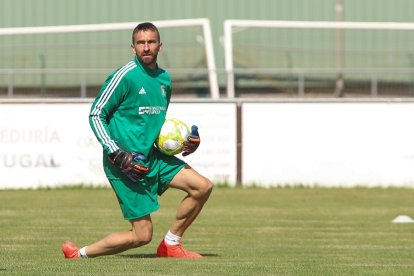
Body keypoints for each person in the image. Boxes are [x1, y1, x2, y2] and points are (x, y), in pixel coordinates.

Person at [62, 22, 213, 259]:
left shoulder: (165, 80)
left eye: (151, 42)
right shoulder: (124, 76)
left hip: (152, 158)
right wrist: (115, 152)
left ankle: (171, 245)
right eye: (141, 43)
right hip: (126, 165)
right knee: (142, 235)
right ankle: (79, 254)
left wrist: (185, 143)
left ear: (159, 46)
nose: (146, 47)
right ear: (133, 47)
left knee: (202, 187)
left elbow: (155, 123)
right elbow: (96, 114)